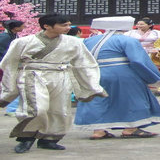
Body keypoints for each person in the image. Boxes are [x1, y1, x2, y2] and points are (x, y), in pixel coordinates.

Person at [0, 13, 107, 153]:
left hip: (60, 76)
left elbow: (84, 63)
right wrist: (9, 85)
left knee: (59, 110)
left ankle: (49, 139)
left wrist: (92, 84)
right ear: (47, 26)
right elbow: (9, 63)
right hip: (33, 75)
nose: (68, 28)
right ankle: (26, 138)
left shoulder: (74, 42)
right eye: (64, 25)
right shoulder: (23, 42)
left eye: (69, 25)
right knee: (36, 109)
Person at [74, 16, 160, 139]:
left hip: (94, 73)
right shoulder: (127, 40)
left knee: (97, 100)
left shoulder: (89, 40)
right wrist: (153, 77)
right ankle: (131, 128)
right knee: (132, 99)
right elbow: (138, 60)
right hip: (121, 73)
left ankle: (98, 131)